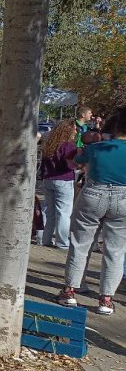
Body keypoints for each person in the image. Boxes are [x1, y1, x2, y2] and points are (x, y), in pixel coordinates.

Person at [57, 108, 126, 315]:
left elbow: (74, 161)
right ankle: (106, 299)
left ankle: (70, 291)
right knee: (115, 250)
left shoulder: (98, 148)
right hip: (124, 199)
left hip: (93, 194)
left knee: (80, 244)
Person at [40, 120, 79, 249]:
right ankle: (62, 242)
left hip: (48, 179)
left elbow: (43, 163)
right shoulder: (68, 145)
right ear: (68, 130)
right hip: (63, 179)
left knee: (49, 211)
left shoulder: (49, 144)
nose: (76, 131)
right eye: (74, 129)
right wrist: (78, 164)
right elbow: (69, 164)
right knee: (63, 212)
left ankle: (45, 239)